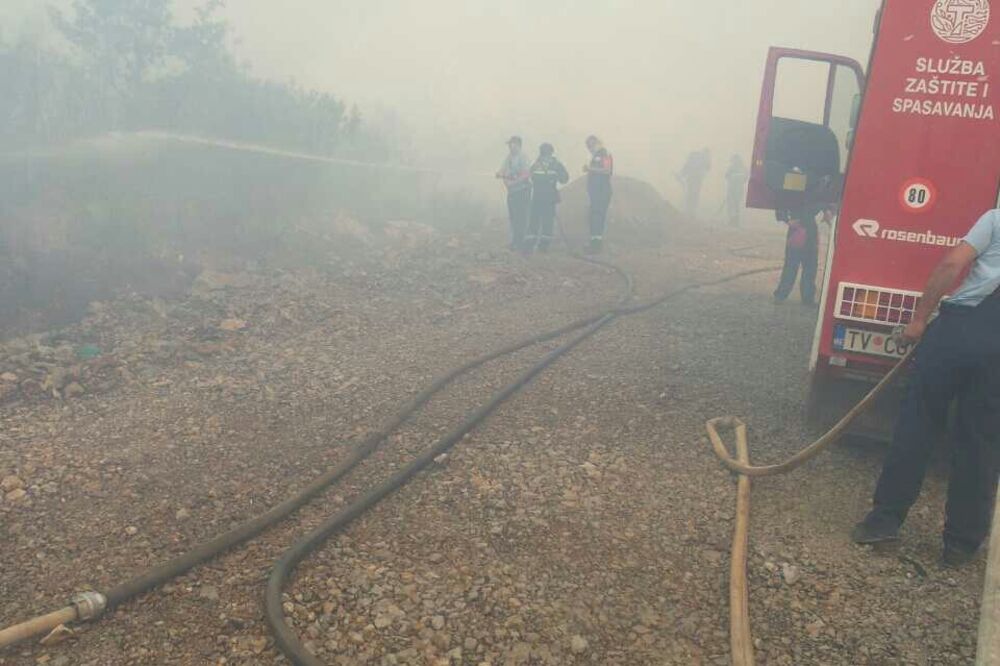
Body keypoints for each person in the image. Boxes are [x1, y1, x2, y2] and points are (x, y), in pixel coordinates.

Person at [852, 208, 1000, 567]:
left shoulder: (996, 219)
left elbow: (952, 265)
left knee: (917, 426)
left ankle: (883, 523)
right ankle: (960, 547)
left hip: (959, 331)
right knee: (981, 444)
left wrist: (919, 320)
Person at [773, 203, 824, 305]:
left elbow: (782, 202)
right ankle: (804, 297)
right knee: (801, 266)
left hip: (804, 230)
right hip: (803, 229)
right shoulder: (816, 191)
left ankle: (783, 295)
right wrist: (787, 220)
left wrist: (786, 220)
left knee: (800, 266)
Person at [527, 143, 570, 253]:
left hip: (541, 197)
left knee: (540, 221)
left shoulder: (538, 164)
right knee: (542, 221)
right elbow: (564, 179)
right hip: (543, 197)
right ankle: (535, 245)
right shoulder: (553, 164)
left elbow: (564, 178)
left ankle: (537, 246)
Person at [496, 136, 532, 252]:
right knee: (512, 216)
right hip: (512, 192)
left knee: (521, 217)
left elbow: (526, 174)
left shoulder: (523, 157)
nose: (510, 147)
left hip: (522, 191)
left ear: (518, 145)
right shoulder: (509, 158)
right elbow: (503, 169)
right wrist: (500, 174)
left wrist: (512, 183)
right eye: (509, 145)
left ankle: (521, 243)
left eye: (512, 144)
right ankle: (514, 242)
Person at [583, 135, 614, 253]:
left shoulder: (604, 154)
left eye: (591, 145)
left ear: (596, 142)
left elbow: (607, 170)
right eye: (588, 146)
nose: (589, 148)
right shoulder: (597, 156)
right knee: (593, 216)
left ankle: (596, 246)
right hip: (596, 192)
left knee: (597, 216)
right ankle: (594, 243)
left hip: (602, 191)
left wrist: (590, 169)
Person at [678, 148, 711, 218]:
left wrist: (681, 175)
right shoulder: (701, 159)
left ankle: (689, 211)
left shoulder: (693, 158)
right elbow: (708, 167)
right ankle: (691, 212)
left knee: (691, 195)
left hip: (691, 179)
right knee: (694, 195)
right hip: (697, 179)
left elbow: (686, 167)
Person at [724, 155, 749, 226]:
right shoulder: (742, 168)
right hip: (737, 189)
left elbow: (726, 176)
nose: (732, 162)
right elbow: (745, 178)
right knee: (735, 205)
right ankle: (734, 220)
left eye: (733, 160)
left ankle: (733, 220)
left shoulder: (732, 167)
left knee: (733, 205)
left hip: (734, 189)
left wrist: (733, 178)